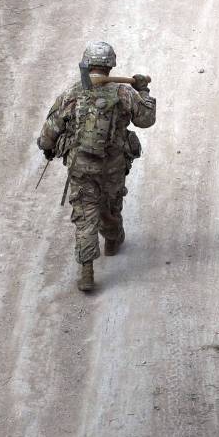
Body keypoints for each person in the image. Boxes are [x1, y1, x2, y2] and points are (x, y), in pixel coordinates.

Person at [36, 41, 156, 291]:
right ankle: (112, 240)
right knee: (111, 204)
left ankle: (87, 271)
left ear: (86, 65)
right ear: (110, 67)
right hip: (113, 166)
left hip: (82, 167)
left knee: (85, 213)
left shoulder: (72, 93)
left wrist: (47, 147)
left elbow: (49, 133)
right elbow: (146, 119)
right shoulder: (123, 93)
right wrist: (143, 91)